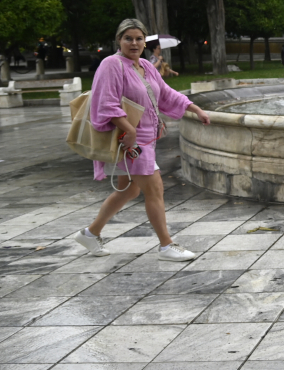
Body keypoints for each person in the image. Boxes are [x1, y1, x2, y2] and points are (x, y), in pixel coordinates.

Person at [74, 18, 211, 261]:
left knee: (129, 190)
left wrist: (195, 108)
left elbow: (166, 93)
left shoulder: (146, 66)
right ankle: (166, 245)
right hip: (128, 141)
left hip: (145, 139)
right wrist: (130, 131)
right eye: (128, 38)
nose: (134, 43)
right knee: (155, 188)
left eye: (139, 39)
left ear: (144, 42)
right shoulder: (111, 64)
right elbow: (106, 103)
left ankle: (90, 233)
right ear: (119, 40)